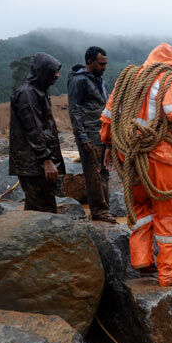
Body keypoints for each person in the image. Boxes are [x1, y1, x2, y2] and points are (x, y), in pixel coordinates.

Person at [100, 43, 172, 287]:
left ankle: (142, 260)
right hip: (161, 156)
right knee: (169, 212)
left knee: (141, 207)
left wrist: (108, 145)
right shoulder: (169, 78)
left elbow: (108, 116)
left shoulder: (126, 78)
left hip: (129, 155)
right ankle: (169, 273)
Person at [9, 53, 65, 213]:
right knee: (45, 211)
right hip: (33, 164)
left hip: (36, 163)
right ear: (41, 71)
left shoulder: (39, 91)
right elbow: (33, 129)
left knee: (35, 209)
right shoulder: (27, 94)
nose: (57, 75)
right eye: (52, 71)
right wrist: (46, 160)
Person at [67, 46, 116, 223]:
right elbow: (74, 111)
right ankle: (98, 211)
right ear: (90, 62)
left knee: (104, 172)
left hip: (101, 134)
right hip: (89, 135)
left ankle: (105, 209)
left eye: (105, 64)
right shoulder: (78, 81)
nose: (104, 67)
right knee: (93, 174)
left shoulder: (98, 80)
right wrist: (82, 137)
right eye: (101, 64)